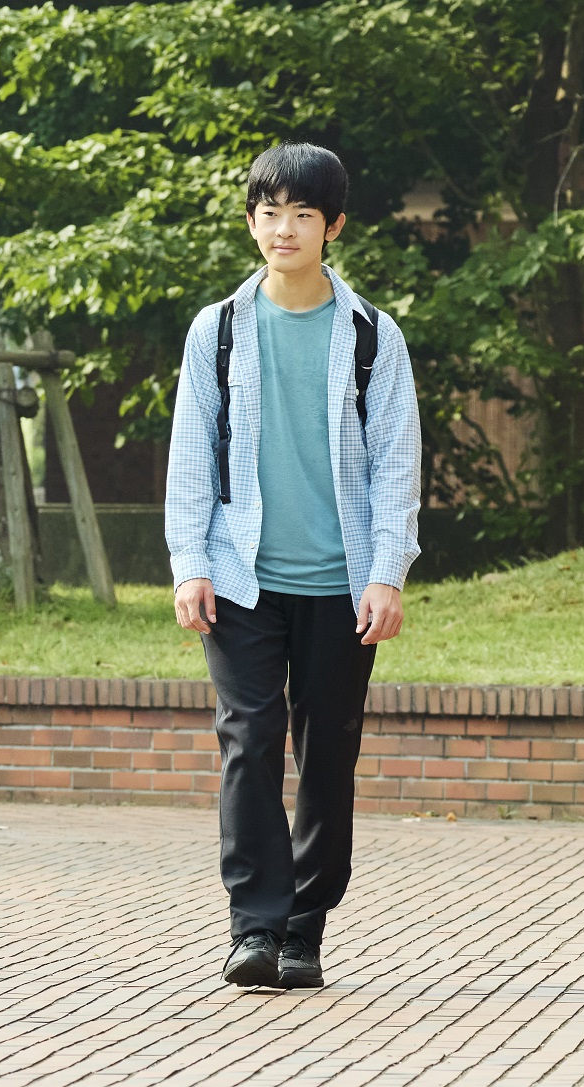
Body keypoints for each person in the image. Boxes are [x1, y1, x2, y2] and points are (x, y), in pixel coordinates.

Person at [165, 142, 421, 990]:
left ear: (332, 226)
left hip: (341, 585)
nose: (284, 228)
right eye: (270, 212)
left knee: (327, 754)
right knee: (248, 740)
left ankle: (305, 927)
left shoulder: (373, 336)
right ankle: (254, 925)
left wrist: (386, 572)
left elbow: (396, 464)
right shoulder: (219, 330)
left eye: (303, 214)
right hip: (240, 578)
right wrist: (189, 562)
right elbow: (191, 455)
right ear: (251, 222)